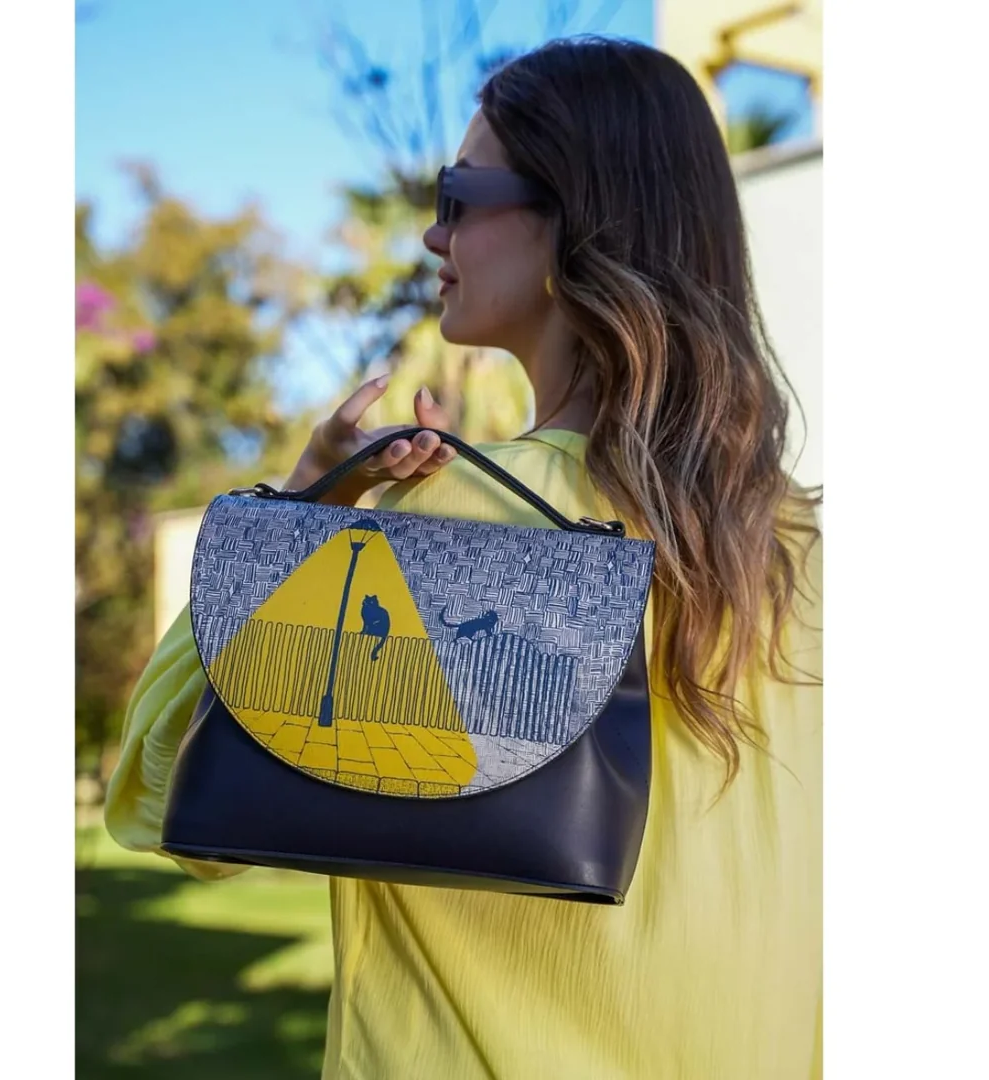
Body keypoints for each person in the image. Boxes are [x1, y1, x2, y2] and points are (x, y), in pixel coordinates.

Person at [105, 36, 822, 1080]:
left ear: (574, 218)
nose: (433, 232)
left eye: (459, 193)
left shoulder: (433, 525)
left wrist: (308, 508)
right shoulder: (811, 551)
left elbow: (160, 790)